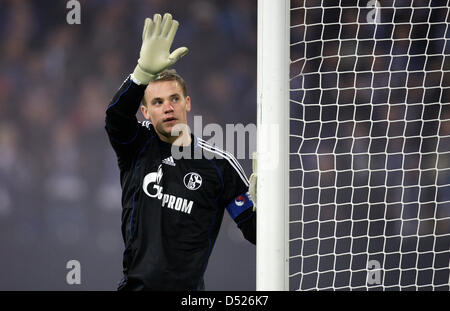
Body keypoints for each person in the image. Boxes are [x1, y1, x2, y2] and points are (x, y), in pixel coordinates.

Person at [105, 13, 256, 291]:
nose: (168, 107)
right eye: (158, 102)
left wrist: (267, 208)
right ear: (145, 111)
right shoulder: (135, 146)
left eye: (174, 99)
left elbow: (255, 232)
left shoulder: (220, 165)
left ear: (187, 103)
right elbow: (114, 117)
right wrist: (141, 73)